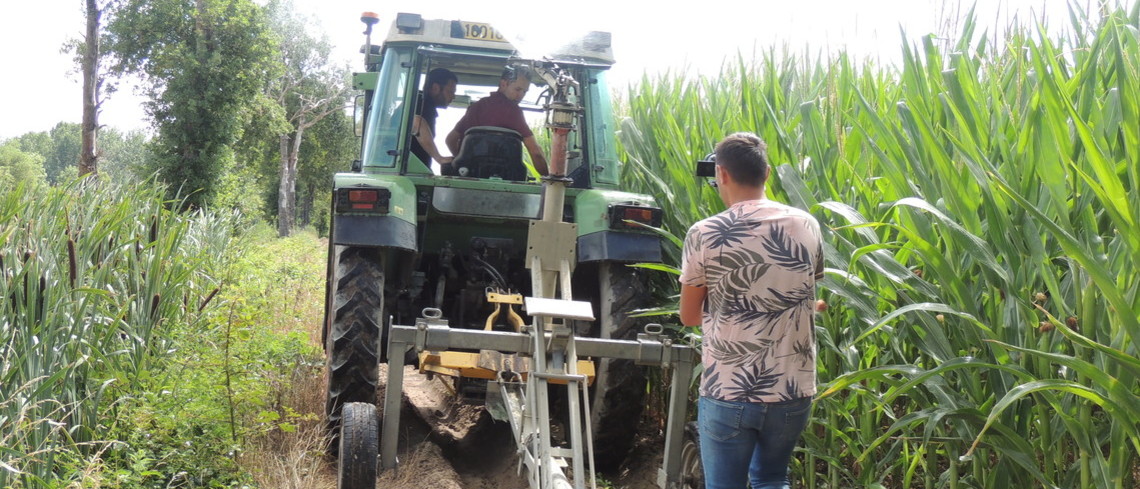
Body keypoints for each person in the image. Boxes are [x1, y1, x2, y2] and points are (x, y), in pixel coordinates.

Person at [678, 132, 824, 489]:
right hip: (792, 388)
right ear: (768, 173)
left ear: (722, 174)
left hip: (730, 389)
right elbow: (807, 292)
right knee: (772, 480)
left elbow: (690, 316)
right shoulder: (807, 224)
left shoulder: (705, 233)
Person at [445, 65, 549, 176]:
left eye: (525, 92)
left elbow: (450, 140)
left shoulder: (477, 107)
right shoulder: (514, 112)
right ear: (503, 84)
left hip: (469, 177)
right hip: (505, 180)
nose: (521, 95)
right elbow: (535, 152)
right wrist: (548, 180)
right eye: (518, 89)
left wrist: (464, 160)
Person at [411, 68, 458, 170]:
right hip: (409, 172)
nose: (453, 97)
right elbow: (416, 121)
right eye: (450, 92)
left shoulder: (422, 104)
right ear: (435, 88)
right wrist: (439, 159)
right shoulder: (420, 104)